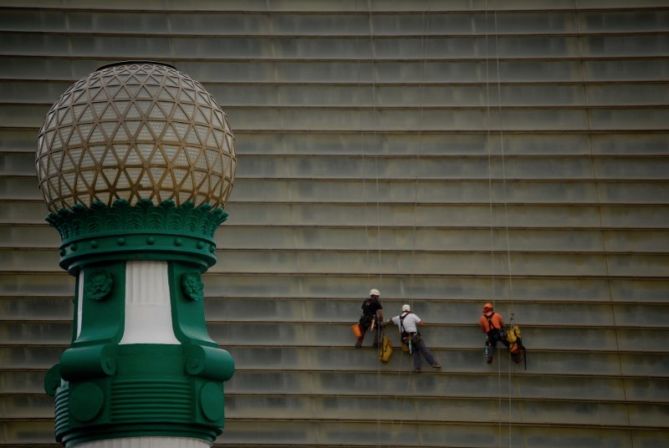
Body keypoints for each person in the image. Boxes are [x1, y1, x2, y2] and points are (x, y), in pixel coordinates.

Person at [390, 304, 441, 372]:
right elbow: (421, 323)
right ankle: (434, 363)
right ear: (409, 310)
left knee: (415, 352)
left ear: (402, 310)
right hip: (414, 337)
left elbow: (390, 320)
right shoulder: (412, 315)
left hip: (406, 340)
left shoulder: (397, 318)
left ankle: (417, 368)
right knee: (424, 350)